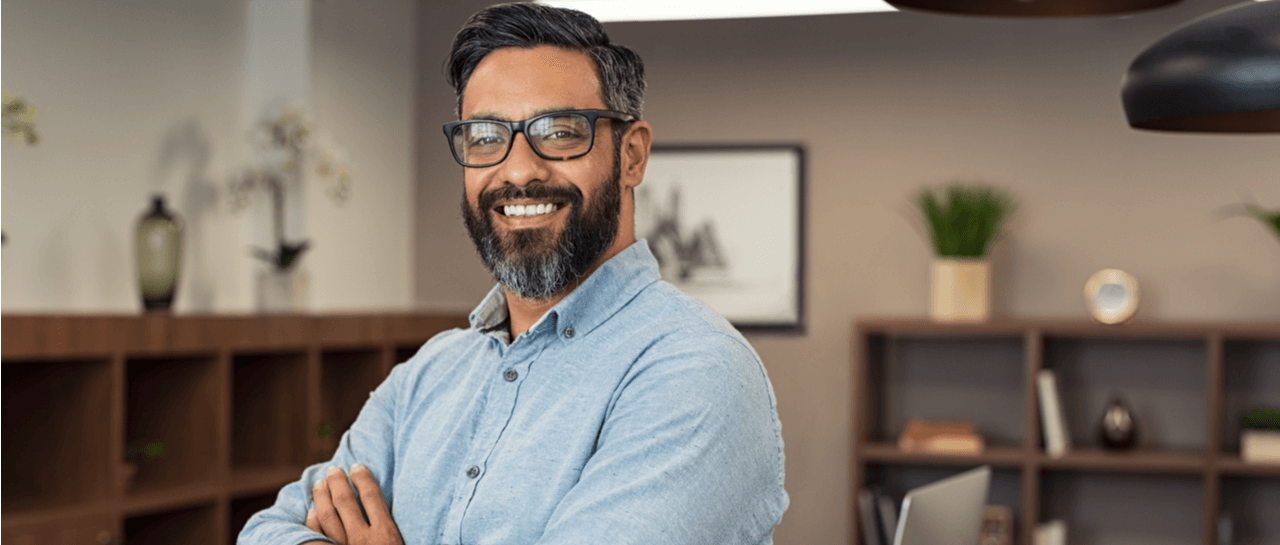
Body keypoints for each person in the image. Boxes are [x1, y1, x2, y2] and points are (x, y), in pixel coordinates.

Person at [238, 3, 788, 544]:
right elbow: (266, 531)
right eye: (485, 136)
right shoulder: (428, 375)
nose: (519, 169)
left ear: (632, 156)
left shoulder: (696, 371)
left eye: (560, 131)